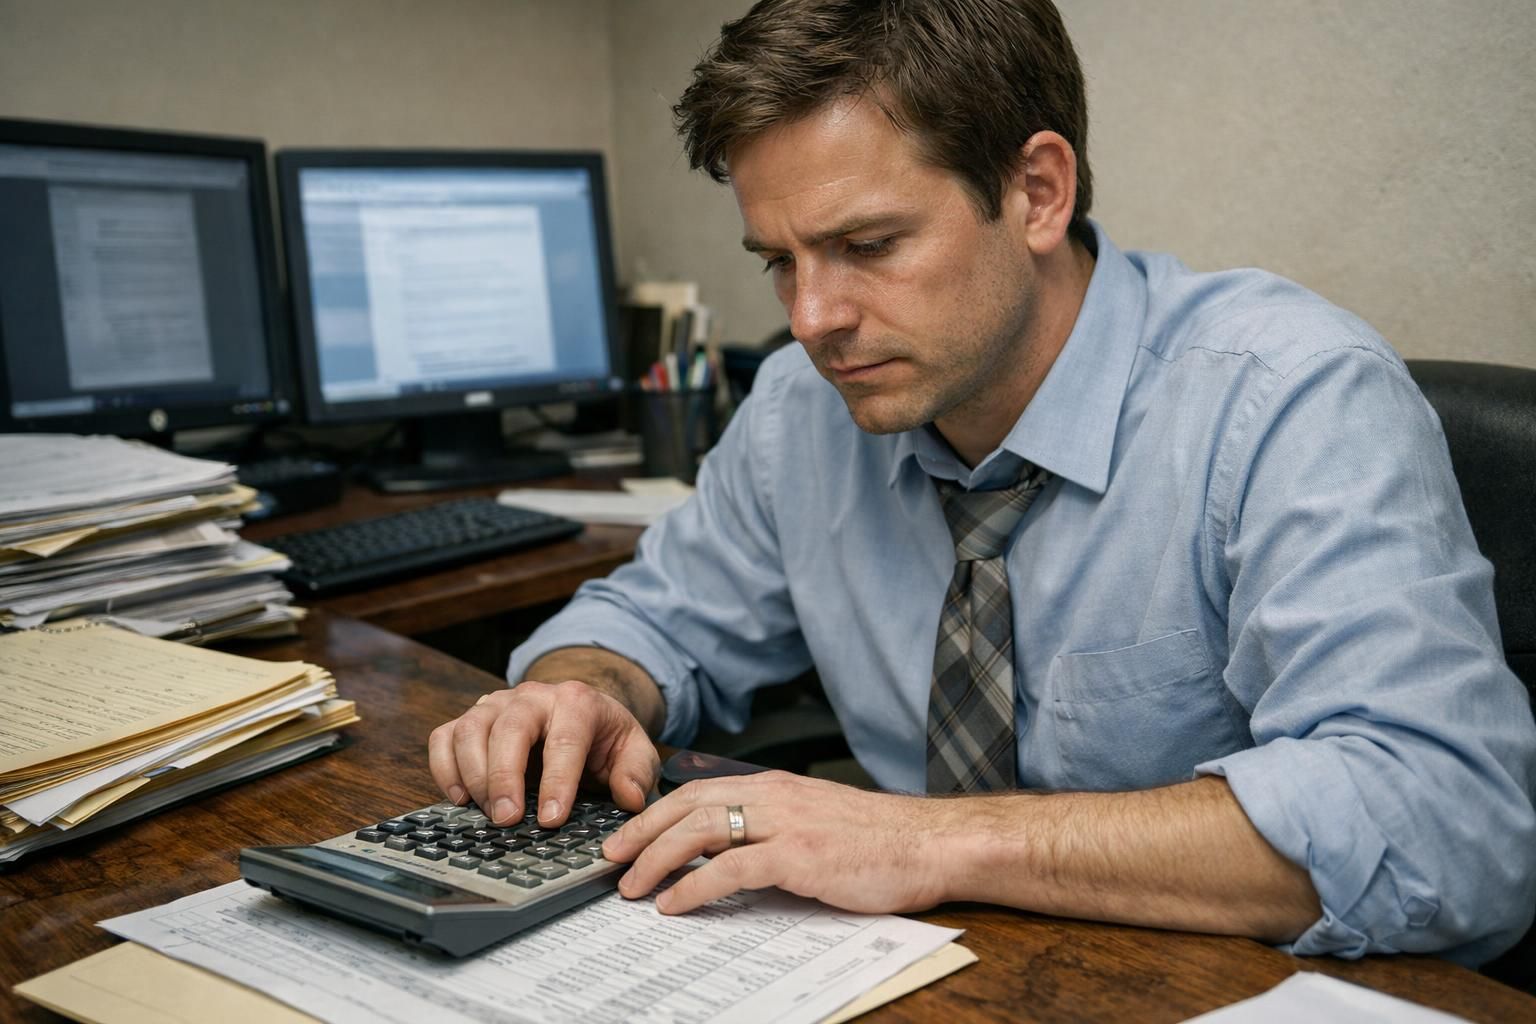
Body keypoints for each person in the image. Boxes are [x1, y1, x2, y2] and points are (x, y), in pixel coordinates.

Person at [429, 0, 1536, 963]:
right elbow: (649, 618)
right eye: (779, 260)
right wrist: (580, 689)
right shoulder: (799, 413)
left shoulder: (1290, 399)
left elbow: (1449, 824)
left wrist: (922, 839)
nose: (811, 319)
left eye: (866, 244)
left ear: (1038, 192)